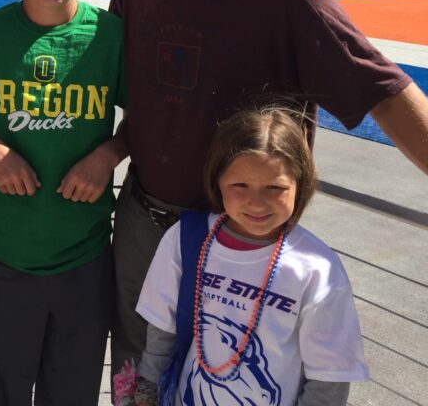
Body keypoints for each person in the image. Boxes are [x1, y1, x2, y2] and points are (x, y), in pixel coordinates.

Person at [108, 0, 428, 376]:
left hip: (243, 235)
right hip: (146, 224)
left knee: (239, 380)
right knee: (139, 375)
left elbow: (385, 91)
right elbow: (118, 107)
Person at [0, 0, 126, 405]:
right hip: (3, 253)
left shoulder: (110, 36)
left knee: (74, 392)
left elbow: (150, 121)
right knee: (5, 390)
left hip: (84, 252)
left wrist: (107, 154)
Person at [130, 101, 368, 406]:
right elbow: (162, 329)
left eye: (275, 188)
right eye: (240, 185)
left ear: (301, 183)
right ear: (218, 181)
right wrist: (147, 390)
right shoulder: (185, 239)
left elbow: (329, 376)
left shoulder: (317, 269)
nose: (257, 203)